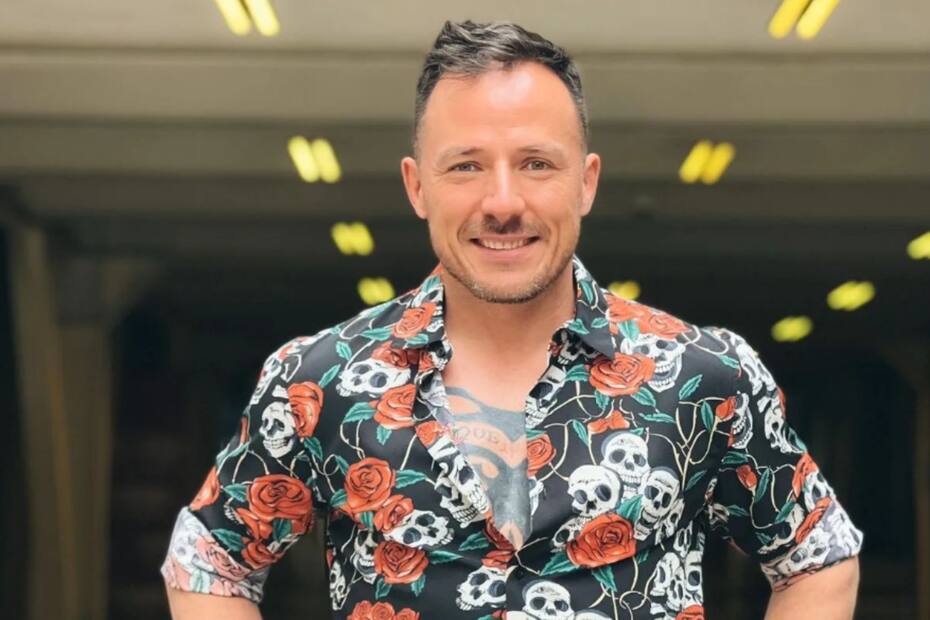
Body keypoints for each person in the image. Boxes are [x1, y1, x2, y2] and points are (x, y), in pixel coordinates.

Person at [162, 19, 862, 620]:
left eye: (536, 163)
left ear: (586, 182)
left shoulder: (703, 376)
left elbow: (818, 556)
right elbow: (208, 560)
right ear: (417, 186)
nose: (502, 202)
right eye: (466, 166)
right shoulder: (321, 380)